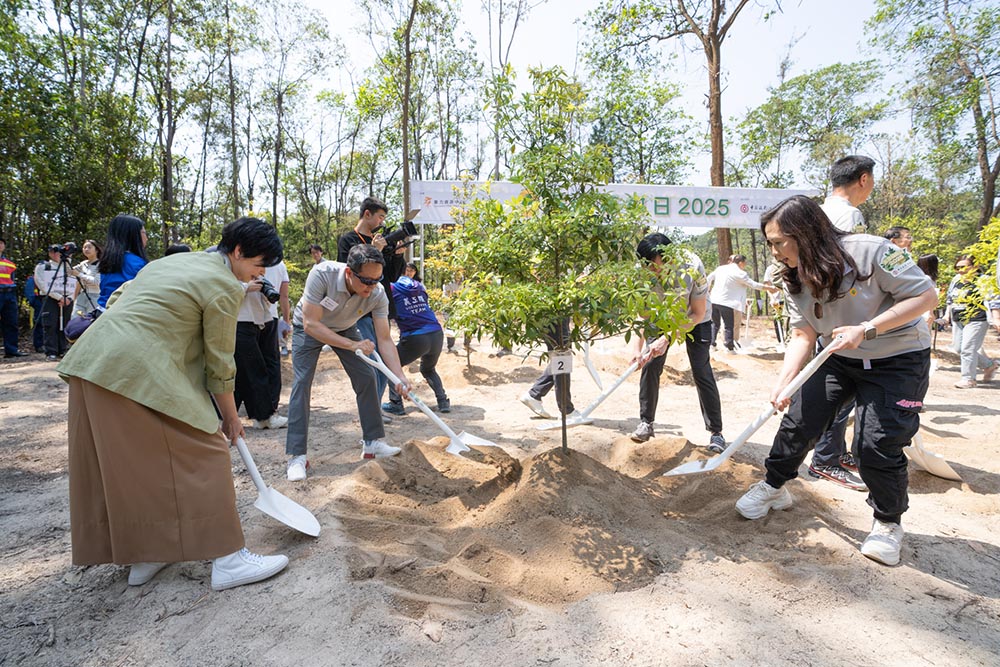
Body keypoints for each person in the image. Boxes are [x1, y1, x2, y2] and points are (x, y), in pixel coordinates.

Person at [56, 217, 290, 591]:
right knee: (208, 449)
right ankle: (229, 558)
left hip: (92, 364)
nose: (258, 274)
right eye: (258, 265)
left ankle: (149, 552)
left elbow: (117, 298)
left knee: (134, 464)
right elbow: (219, 361)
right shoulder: (224, 285)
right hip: (133, 369)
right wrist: (230, 418)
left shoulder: (173, 262)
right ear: (238, 251)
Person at [735, 195, 938, 567]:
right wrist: (784, 383)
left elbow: (926, 295)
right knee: (798, 421)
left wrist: (867, 328)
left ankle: (887, 523)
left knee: (875, 443)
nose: (776, 252)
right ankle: (774, 487)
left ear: (806, 233)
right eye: (770, 244)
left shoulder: (873, 252)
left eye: (780, 242)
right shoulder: (793, 277)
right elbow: (803, 335)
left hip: (898, 359)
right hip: (837, 357)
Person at [284, 243, 411, 481]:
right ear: (349, 273)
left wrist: (399, 377)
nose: (372, 286)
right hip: (308, 328)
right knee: (302, 384)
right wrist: (353, 345)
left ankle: (373, 442)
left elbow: (384, 339)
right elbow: (311, 323)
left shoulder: (378, 292)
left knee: (366, 377)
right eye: (366, 281)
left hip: (344, 327)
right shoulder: (322, 274)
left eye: (377, 280)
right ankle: (296, 456)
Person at [808, 156, 879, 490]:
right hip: (845, 316)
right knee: (842, 390)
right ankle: (826, 459)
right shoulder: (849, 215)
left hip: (822, 312)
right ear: (863, 180)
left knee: (836, 389)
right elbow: (855, 269)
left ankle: (836, 454)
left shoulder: (817, 213)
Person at [629, 233, 727, 453]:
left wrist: (667, 338)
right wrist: (637, 350)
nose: (651, 273)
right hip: (661, 318)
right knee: (651, 364)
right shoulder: (641, 273)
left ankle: (716, 432)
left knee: (701, 370)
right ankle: (646, 422)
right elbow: (642, 315)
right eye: (646, 268)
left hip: (697, 319)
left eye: (654, 267)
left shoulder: (693, 266)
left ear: (669, 258)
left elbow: (698, 312)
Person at [337, 197, 406, 419]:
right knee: (373, 360)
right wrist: (371, 249)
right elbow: (345, 270)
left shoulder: (382, 241)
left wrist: (397, 257)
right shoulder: (348, 240)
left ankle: (374, 409)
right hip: (359, 309)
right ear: (367, 214)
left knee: (385, 361)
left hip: (380, 306)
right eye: (380, 216)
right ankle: (371, 412)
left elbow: (392, 277)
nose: (382, 222)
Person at [381, 269, 451, 415]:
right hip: (436, 332)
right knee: (428, 369)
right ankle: (443, 401)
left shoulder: (391, 287)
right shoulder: (417, 285)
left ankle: (396, 404)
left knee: (391, 365)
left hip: (416, 336)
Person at [234, 258, 290, 429]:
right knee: (250, 370)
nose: (263, 271)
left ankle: (263, 415)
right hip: (237, 321)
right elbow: (218, 291)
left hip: (259, 320)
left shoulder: (272, 265)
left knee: (256, 369)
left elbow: (280, 296)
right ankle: (262, 416)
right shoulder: (228, 262)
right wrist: (245, 287)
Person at [519, 318, 591, 423]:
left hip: (554, 314)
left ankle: (535, 394)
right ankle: (567, 411)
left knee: (560, 358)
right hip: (554, 314)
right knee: (562, 356)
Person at [944, 256, 997, 388]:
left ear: (975, 266)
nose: (961, 270)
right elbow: (950, 299)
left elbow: (993, 299)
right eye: (958, 267)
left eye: (964, 266)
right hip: (958, 318)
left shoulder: (983, 280)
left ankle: (969, 379)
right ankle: (989, 365)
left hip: (977, 319)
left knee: (968, 349)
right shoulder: (956, 280)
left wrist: (996, 317)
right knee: (958, 348)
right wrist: (946, 316)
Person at [707, 255, 777, 352]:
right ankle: (729, 347)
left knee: (715, 323)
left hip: (714, 300)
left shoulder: (720, 269)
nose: (745, 265)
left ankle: (711, 344)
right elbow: (753, 285)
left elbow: (708, 279)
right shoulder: (740, 273)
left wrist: (707, 292)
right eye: (744, 263)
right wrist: (769, 288)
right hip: (727, 302)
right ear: (740, 263)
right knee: (729, 325)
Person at [98, 214, 148, 309]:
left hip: (102, 310)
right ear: (133, 236)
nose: (146, 238)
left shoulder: (107, 260)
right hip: (126, 313)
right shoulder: (137, 263)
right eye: (144, 233)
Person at [34, 245, 75, 361]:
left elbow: (74, 282)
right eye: (53, 252)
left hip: (67, 298)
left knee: (65, 324)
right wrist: (58, 297)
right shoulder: (43, 266)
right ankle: (51, 351)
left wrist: (69, 298)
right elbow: (42, 284)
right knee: (50, 324)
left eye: (58, 252)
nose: (56, 254)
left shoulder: (67, 266)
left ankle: (63, 349)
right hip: (50, 298)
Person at [820, 155, 875, 233]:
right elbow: (853, 245)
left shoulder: (817, 211)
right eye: (873, 179)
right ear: (863, 180)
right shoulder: (851, 214)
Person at [1, 237, 29, 358]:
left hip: (9, 294)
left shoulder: (10, 263)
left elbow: (12, 279)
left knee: (11, 322)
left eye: (1, 243)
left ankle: (11, 350)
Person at [71, 239, 102, 317]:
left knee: (90, 321)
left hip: (95, 297)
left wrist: (79, 274)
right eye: (84, 247)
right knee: (76, 320)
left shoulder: (101, 264)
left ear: (96, 250)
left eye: (89, 247)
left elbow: (96, 282)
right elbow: (70, 271)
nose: (86, 249)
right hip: (82, 296)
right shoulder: (83, 264)